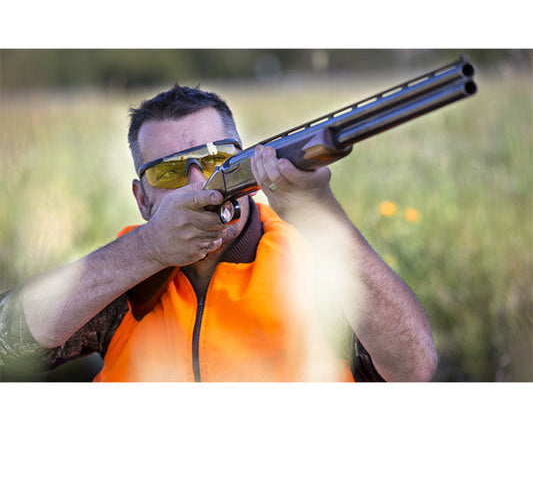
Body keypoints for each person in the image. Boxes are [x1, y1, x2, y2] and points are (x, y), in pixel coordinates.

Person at [0, 84, 437, 382]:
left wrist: (321, 214)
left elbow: (413, 370)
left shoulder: (314, 258)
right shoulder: (124, 270)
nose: (197, 183)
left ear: (246, 163)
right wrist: (148, 249)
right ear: (142, 198)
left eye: (215, 160)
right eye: (169, 172)